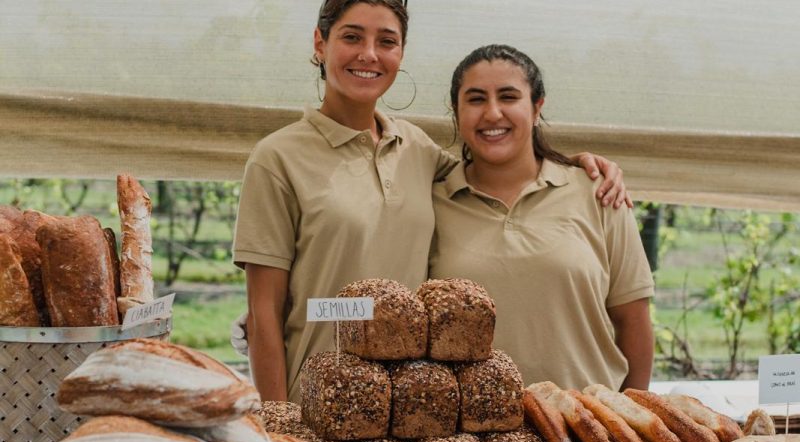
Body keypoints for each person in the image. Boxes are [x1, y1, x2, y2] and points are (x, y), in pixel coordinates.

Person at [232, 0, 630, 403]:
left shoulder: (416, 148)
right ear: (320, 43)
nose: (368, 54)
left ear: (401, 53)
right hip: (318, 400)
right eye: (352, 37)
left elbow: (496, 165)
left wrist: (575, 166)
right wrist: (278, 419)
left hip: (413, 404)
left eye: (386, 41)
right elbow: (265, 315)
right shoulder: (277, 158)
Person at [428, 44, 655, 391]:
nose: (492, 113)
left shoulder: (598, 192)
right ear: (456, 113)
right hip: (471, 422)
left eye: (508, 97)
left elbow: (633, 320)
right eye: (475, 99)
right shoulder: (431, 201)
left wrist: (630, 413)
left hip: (585, 418)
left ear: (537, 108)